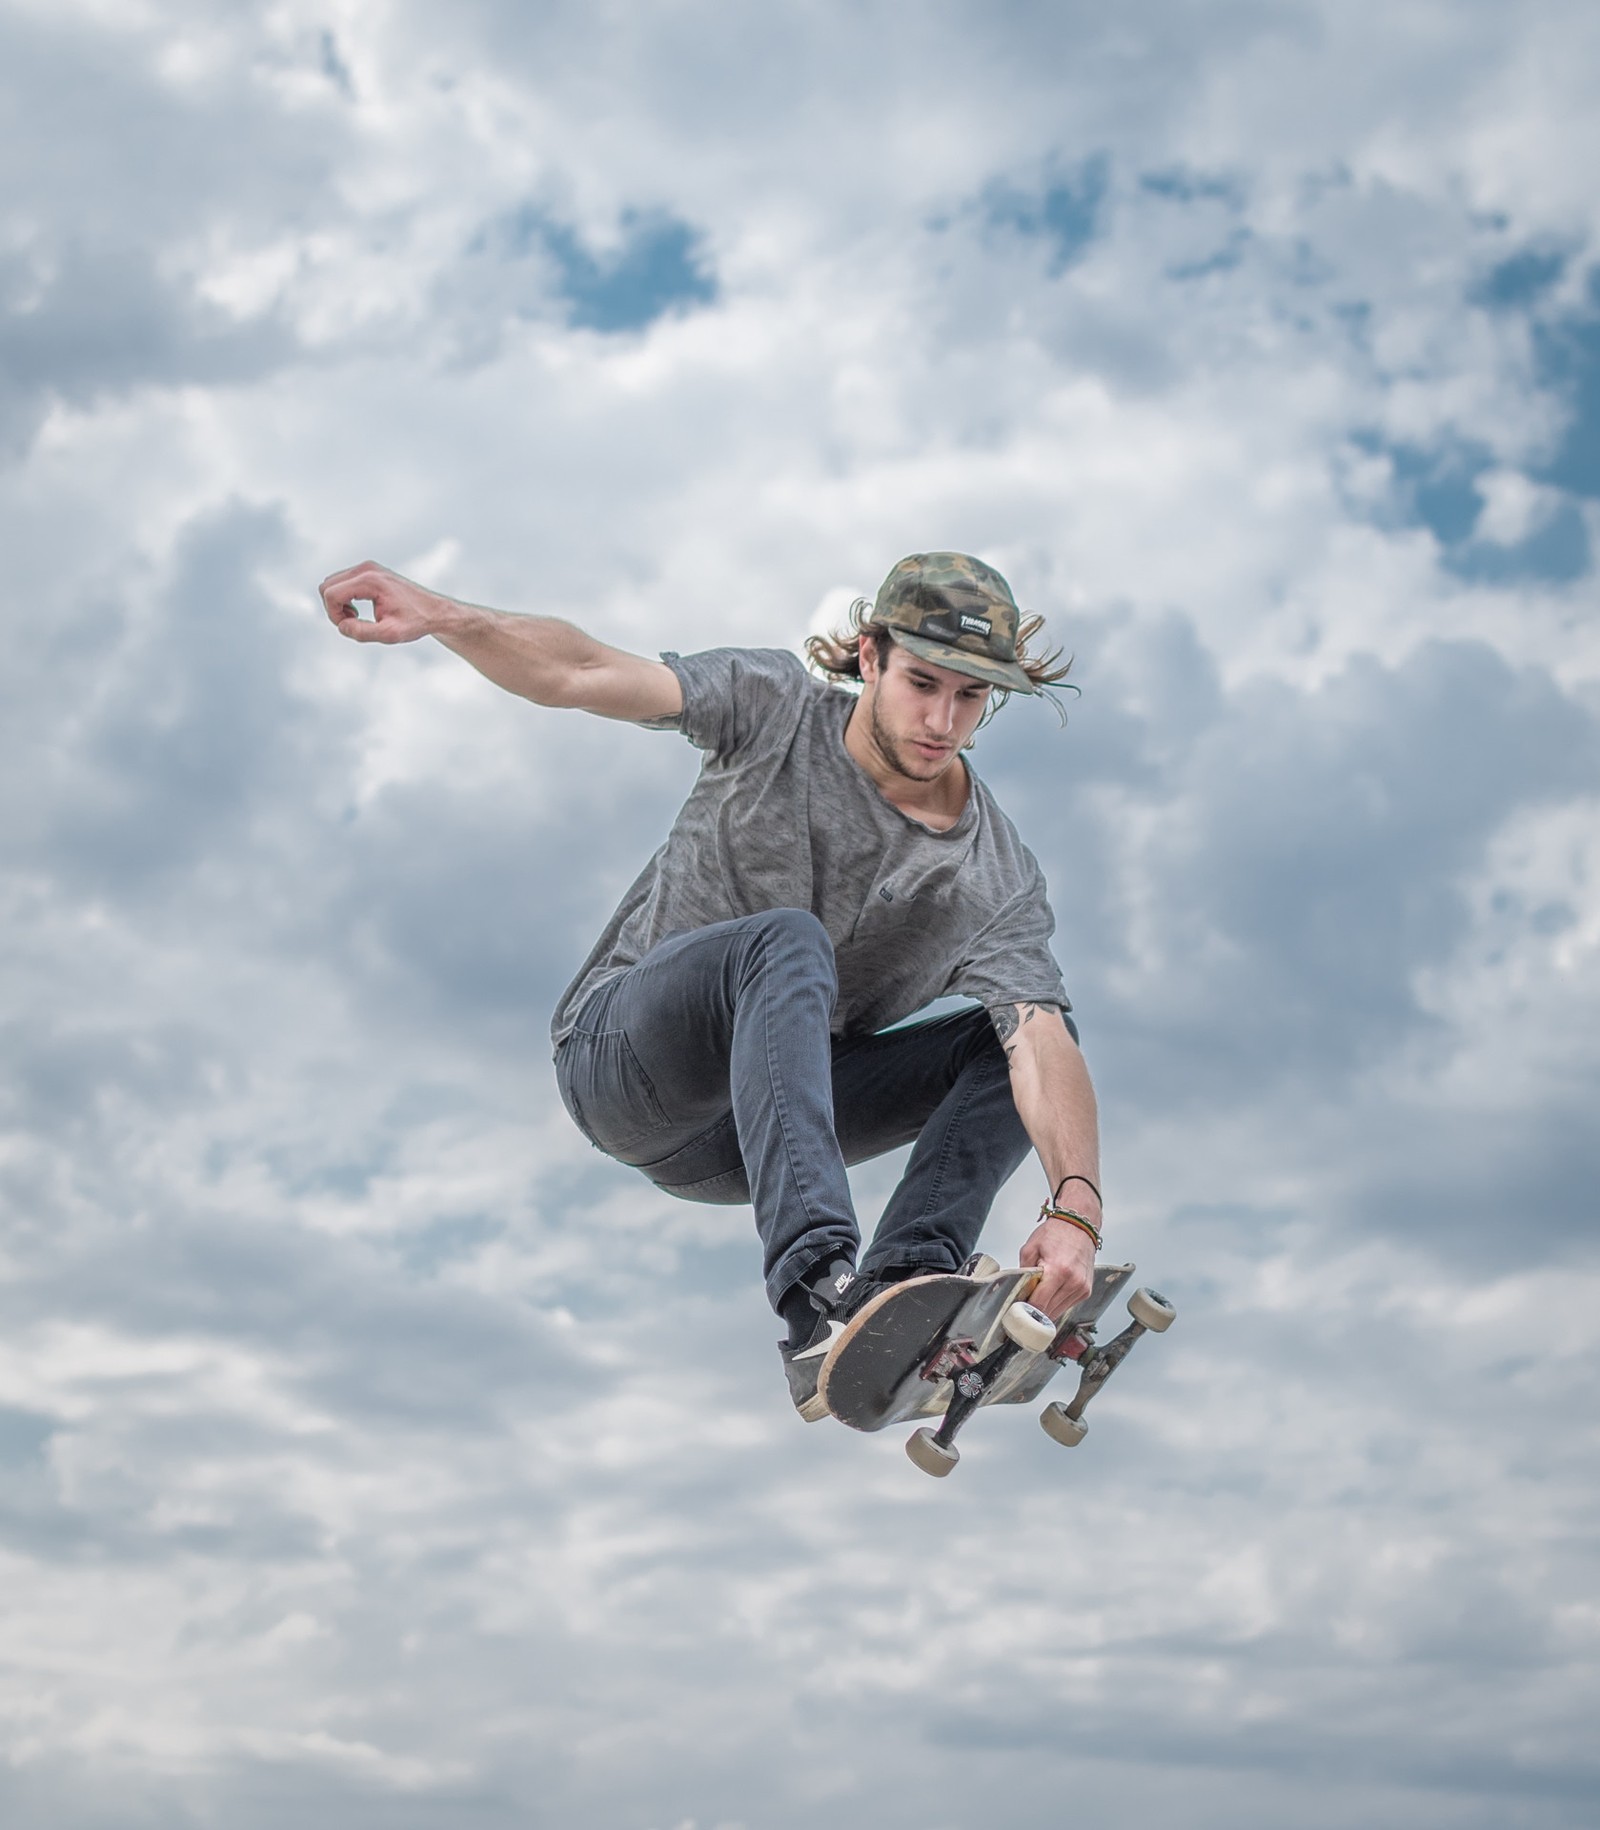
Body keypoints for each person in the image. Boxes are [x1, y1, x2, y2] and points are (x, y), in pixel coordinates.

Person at [320, 551, 1105, 1420]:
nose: (942, 721)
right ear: (871, 656)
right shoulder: (770, 706)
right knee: (784, 944)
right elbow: (584, 670)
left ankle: (897, 1292)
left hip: (755, 1135)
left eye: (970, 698)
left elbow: (1040, 1039)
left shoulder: (991, 873)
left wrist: (1076, 1208)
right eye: (924, 683)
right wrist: (449, 618)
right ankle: (819, 1294)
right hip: (624, 1065)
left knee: (1001, 1045)